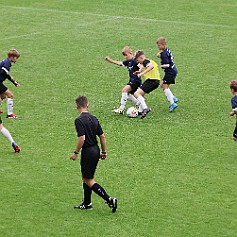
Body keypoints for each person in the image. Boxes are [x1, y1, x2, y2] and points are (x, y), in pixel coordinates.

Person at [70, 96, 117, 212]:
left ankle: (109, 199)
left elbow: (82, 138)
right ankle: (87, 203)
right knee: (85, 177)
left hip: (87, 152)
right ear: (88, 105)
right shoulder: (94, 118)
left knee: (89, 179)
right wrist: (104, 151)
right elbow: (102, 136)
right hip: (95, 150)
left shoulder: (79, 120)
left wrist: (76, 153)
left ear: (77, 106)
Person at [105, 46, 142, 114]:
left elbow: (142, 65)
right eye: (124, 55)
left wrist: (140, 71)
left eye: (126, 55)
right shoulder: (129, 62)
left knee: (124, 90)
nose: (125, 57)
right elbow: (120, 63)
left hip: (136, 81)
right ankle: (140, 104)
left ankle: (121, 109)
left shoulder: (135, 61)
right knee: (127, 94)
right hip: (132, 80)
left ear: (130, 53)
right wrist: (109, 60)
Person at [133, 50, 161, 119]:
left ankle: (145, 108)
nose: (137, 62)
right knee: (141, 94)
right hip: (155, 81)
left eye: (137, 60)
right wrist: (139, 71)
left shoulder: (146, 61)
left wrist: (141, 73)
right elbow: (143, 65)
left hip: (152, 80)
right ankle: (140, 110)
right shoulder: (147, 61)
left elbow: (151, 66)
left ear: (141, 58)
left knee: (136, 93)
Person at [157, 37, 179, 112]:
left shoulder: (164, 54)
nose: (158, 47)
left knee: (164, 86)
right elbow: (166, 55)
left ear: (163, 44)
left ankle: (172, 103)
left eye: (159, 45)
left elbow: (167, 65)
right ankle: (173, 98)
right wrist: (160, 54)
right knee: (162, 85)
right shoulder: (167, 50)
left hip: (170, 72)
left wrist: (161, 66)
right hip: (173, 70)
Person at [0, 49, 21, 118]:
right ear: (12, 57)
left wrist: (14, 82)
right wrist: (13, 81)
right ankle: (10, 114)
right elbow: (3, 72)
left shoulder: (5, 62)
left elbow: (5, 74)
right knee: (10, 95)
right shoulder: (7, 63)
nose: (16, 60)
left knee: (2, 96)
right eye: (16, 58)